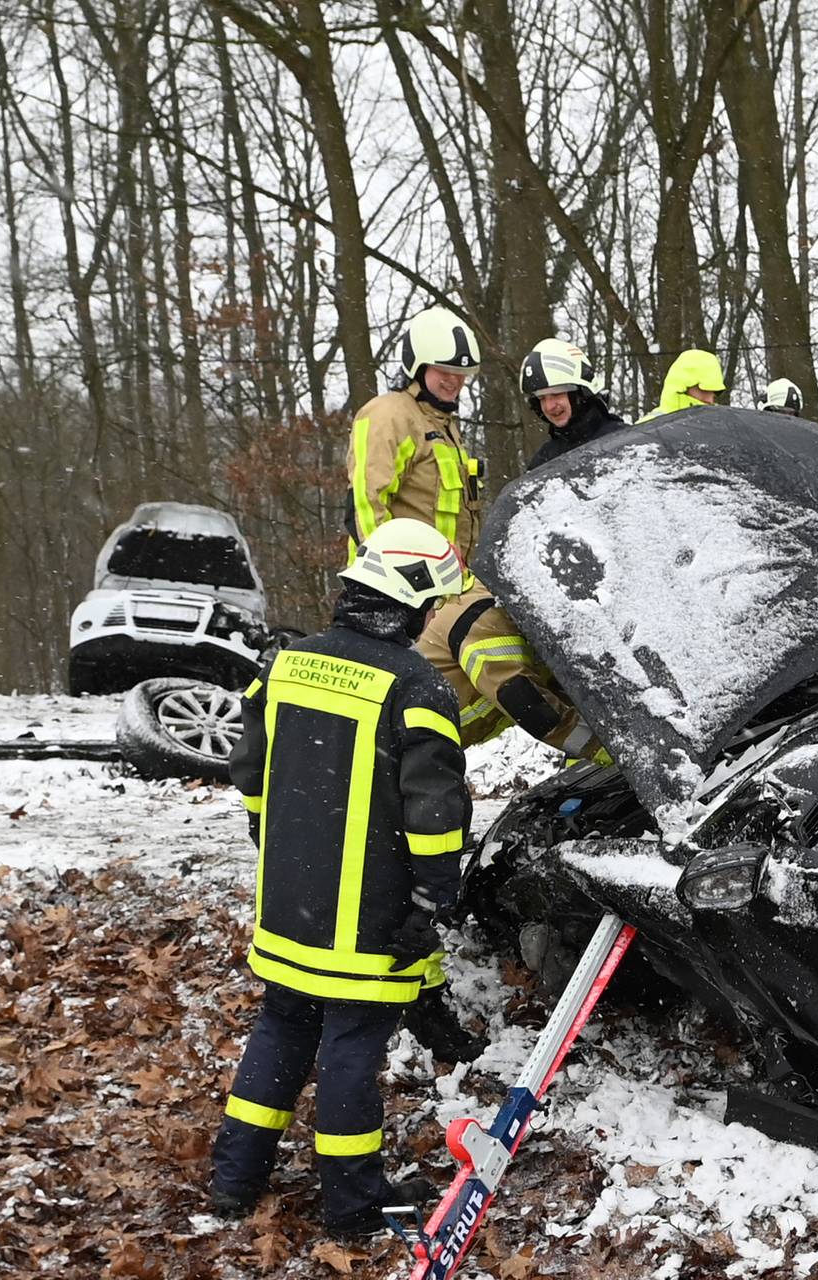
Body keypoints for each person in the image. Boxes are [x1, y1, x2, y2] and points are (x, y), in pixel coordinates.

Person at [211, 518, 484, 1238]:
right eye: (432, 610)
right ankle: (353, 1205)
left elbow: (250, 776)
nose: (432, 622)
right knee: (351, 1048)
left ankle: (233, 1182)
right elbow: (435, 814)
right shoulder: (418, 687)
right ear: (414, 601)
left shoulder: (286, 664)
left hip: (287, 903)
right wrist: (432, 899)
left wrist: (276, 844)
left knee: (281, 1026)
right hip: (368, 916)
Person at [350, 306, 485, 559]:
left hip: (446, 584)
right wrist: (384, 576)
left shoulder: (444, 426)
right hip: (401, 585)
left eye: (460, 373)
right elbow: (367, 504)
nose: (454, 380)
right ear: (418, 367)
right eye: (444, 370)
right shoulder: (389, 415)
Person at [419, 583, 600, 760]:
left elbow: (552, 682)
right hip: (409, 747)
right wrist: (599, 746)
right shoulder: (486, 621)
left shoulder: (508, 596)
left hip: (420, 746)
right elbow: (528, 705)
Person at [523, 338, 631, 467]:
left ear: (581, 394)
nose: (549, 406)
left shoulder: (625, 442)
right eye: (541, 398)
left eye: (557, 394)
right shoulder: (543, 461)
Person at [645, 348, 726, 420]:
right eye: (704, 389)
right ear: (683, 386)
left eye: (715, 392)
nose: (710, 399)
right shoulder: (647, 430)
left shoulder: (720, 428)